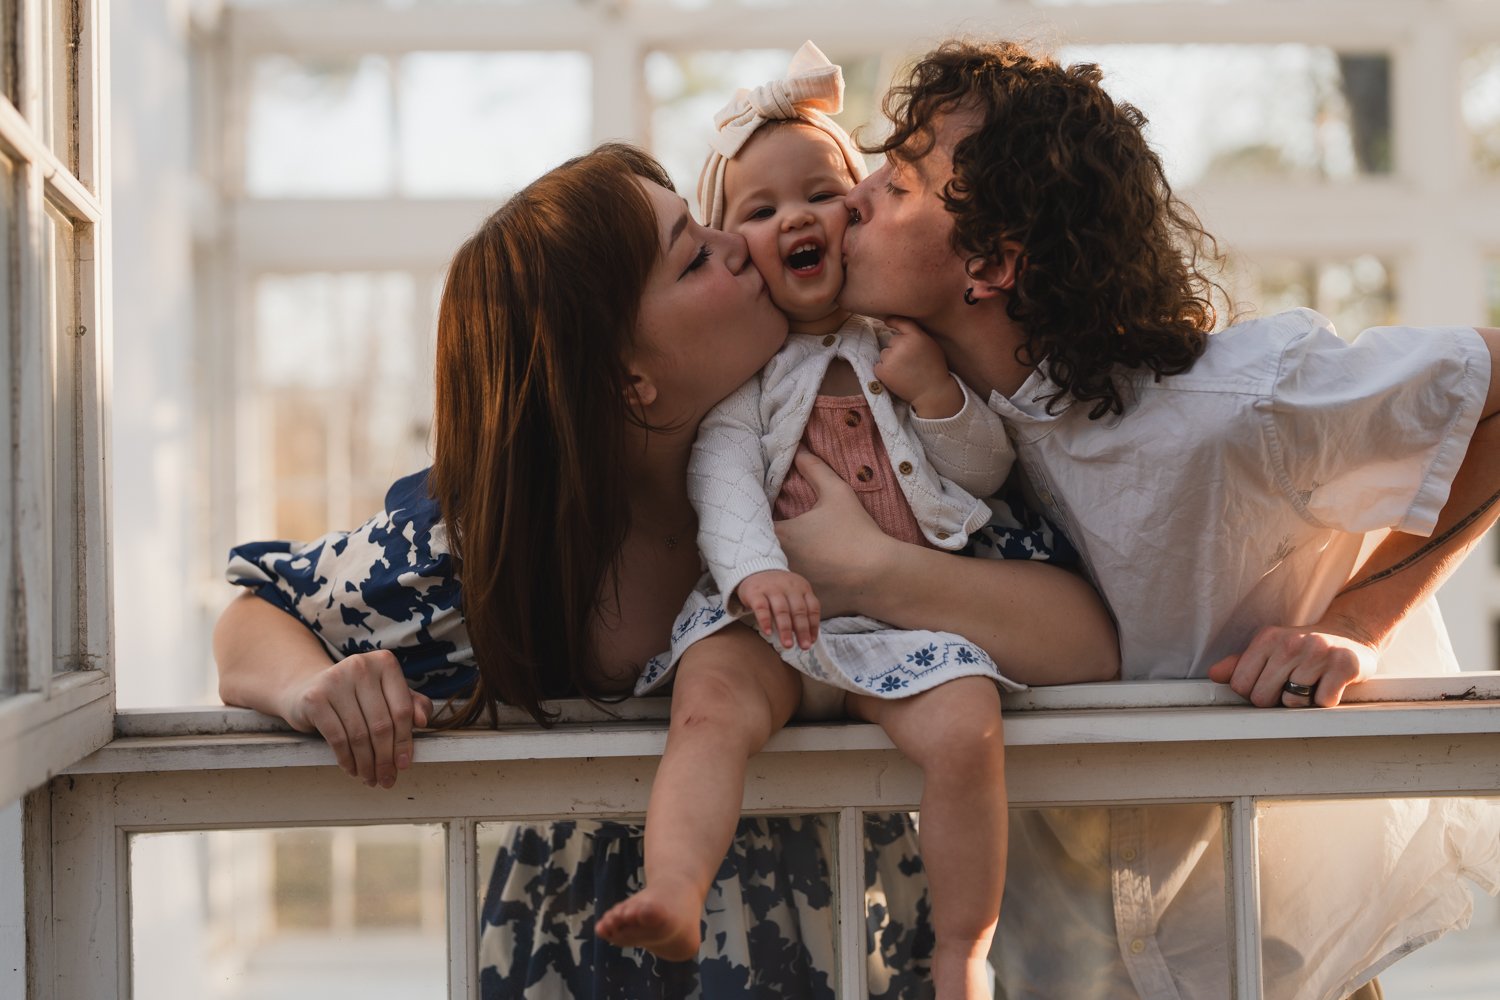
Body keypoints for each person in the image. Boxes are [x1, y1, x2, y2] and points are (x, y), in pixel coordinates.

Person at [214, 141, 1115, 998]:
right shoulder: (494, 544)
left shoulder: (842, 447)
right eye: (694, 257)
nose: (738, 244)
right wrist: (310, 688)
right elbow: (252, 618)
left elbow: (1086, 641)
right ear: (625, 378)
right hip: (591, 947)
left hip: (847, 933)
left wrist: (868, 571)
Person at [769, 37, 1500, 999]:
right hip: (1061, 961)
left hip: (1269, 956)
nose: (853, 197)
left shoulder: (1233, 403)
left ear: (991, 261)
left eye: (899, 185)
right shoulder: (902, 409)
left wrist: (1355, 624)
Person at [592, 43, 1118, 1000]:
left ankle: (964, 948)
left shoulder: (903, 339)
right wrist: (754, 575)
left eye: (822, 193)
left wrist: (943, 403)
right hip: (774, 621)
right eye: (758, 211)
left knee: (967, 730)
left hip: (902, 629)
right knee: (706, 711)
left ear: (858, 210)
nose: (794, 217)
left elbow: (980, 478)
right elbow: (724, 482)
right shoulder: (746, 377)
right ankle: (673, 884)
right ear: (737, 245)